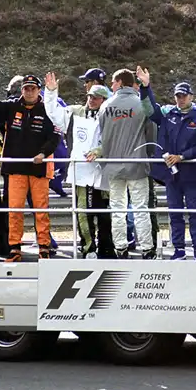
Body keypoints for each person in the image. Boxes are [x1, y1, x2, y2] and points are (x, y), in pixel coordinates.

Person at [0, 67, 59, 262]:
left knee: (41, 211)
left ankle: (44, 247)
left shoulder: (48, 109)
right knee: (14, 211)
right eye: (26, 89)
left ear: (39, 90)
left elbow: (55, 136)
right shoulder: (12, 106)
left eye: (32, 88)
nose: (29, 92)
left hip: (39, 168)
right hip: (15, 169)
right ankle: (14, 247)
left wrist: (43, 153)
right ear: (22, 90)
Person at [43, 73, 114, 258]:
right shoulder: (74, 113)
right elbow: (53, 113)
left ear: (105, 100)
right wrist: (51, 92)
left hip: (106, 173)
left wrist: (100, 150)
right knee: (83, 212)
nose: (91, 100)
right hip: (82, 173)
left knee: (107, 214)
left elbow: (118, 140)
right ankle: (88, 248)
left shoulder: (114, 117)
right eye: (90, 96)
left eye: (96, 98)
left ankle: (108, 247)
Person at [87, 67, 156, 259]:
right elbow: (151, 134)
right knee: (141, 209)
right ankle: (147, 249)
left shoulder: (105, 106)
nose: (110, 85)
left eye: (113, 82)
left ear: (120, 82)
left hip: (113, 164)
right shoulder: (141, 104)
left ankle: (120, 248)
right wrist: (148, 155)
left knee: (117, 209)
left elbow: (102, 135)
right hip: (137, 164)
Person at [141, 80, 196, 260]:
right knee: (174, 212)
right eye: (178, 96)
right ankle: (179, 249)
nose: (181, 99)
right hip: (170, 173)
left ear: (191, 96)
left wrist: (182, 156)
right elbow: (149, 109)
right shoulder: (166, 112)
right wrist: (146, 87)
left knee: (194, 212)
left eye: (184, 95)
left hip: (191, 172)